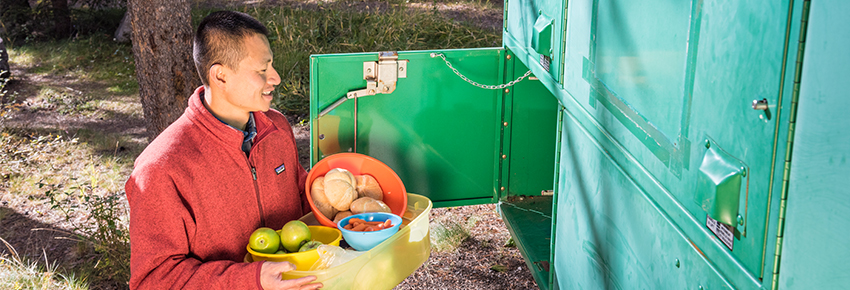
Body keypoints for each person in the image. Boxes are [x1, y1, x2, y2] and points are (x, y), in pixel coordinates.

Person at [125, 11, 322, 290]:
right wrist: (249, 280)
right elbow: (154, 281)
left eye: (272, 66)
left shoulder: (276, 128)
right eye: (262, 70)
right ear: (220, 75)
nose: (275, 78)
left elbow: (301, 199)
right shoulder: (161, 168)